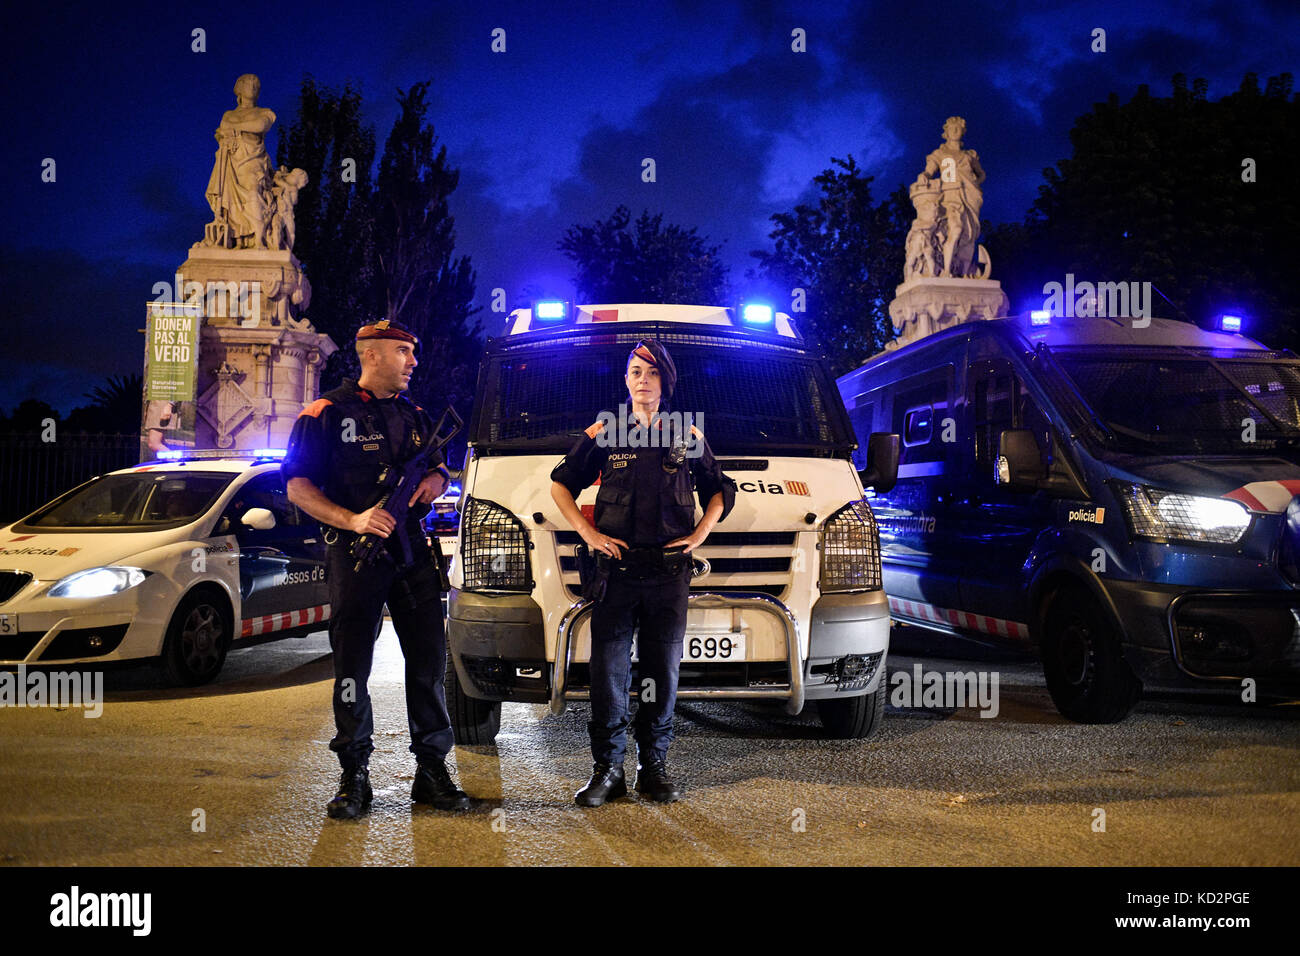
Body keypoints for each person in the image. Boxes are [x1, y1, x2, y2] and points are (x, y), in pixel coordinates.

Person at [282, 318, 469, 819]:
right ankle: (353, 777)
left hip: (413, 554)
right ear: (371, 354)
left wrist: (434, 482)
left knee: (428, 664)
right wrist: (354, 519)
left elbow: (441, 467)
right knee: (352, 670)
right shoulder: (323, 413)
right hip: (355, 556)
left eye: (413, 351)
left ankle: (432, 771)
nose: (413, 361)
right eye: (404, 351)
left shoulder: (417, 415)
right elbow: (297, 486)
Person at [550, 339, 736, 806]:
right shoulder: (604, 431)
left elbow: (720, 490)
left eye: (651, 373)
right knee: (609, 675)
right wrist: (588, 534)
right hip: (617, 573)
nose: (641, 380)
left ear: (665, 381)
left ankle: (653, 768)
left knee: (662, 673)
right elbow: (560, 484)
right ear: (626, 379)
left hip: (669, 574)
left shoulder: (685, 433)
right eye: (635, 372)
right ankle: (607, 771)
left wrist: (699, 535)